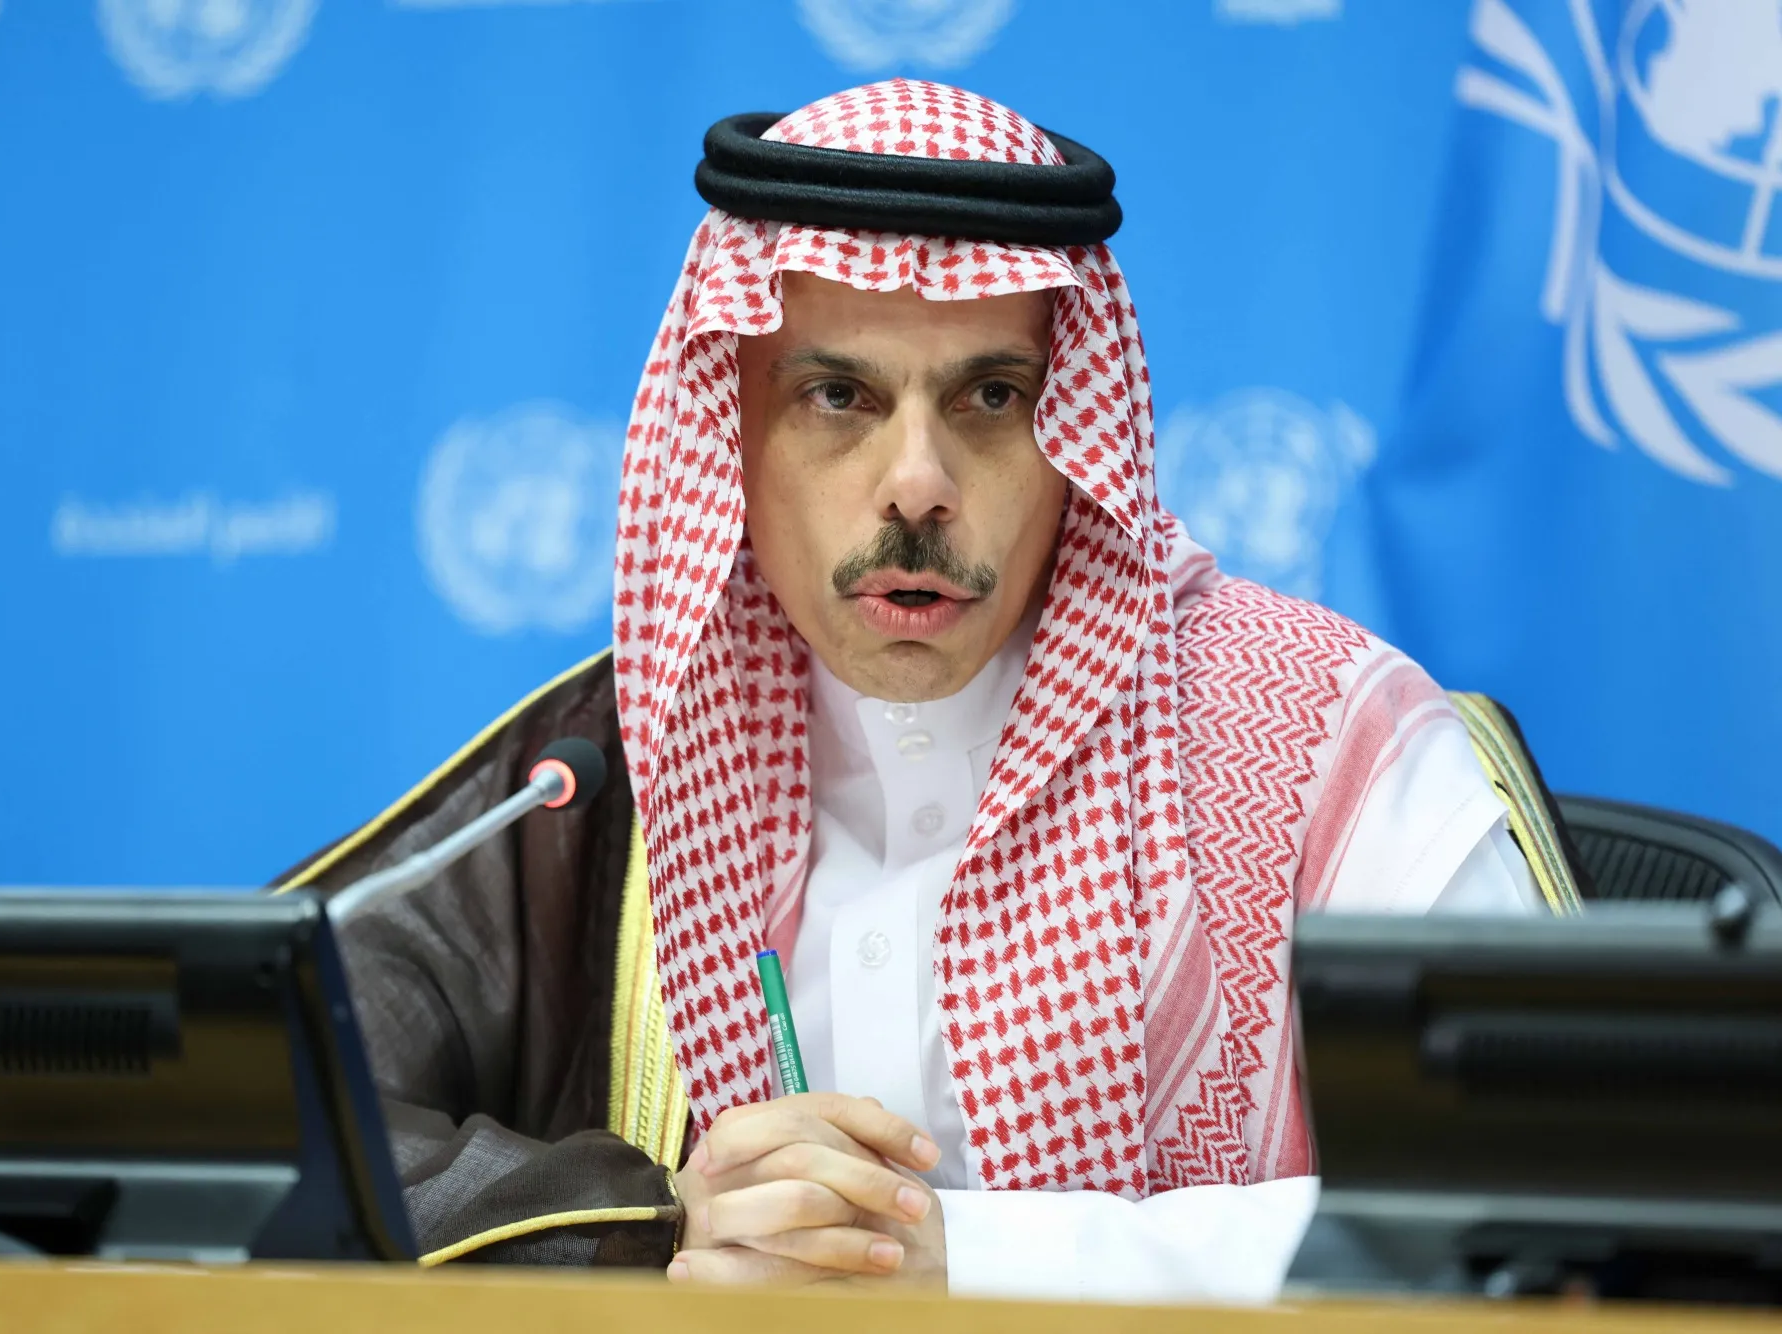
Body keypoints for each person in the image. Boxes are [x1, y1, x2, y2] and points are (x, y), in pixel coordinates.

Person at [277, 79, 1562, 1302]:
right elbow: (256, 1099)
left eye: (989, 398)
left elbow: (1534, 1187)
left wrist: (969, 1257)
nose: (915, 481)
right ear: (729, 433)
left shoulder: (1320, 737)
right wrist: (660, 1231)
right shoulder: (623, 760)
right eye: (837, 395)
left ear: (1071, 439)